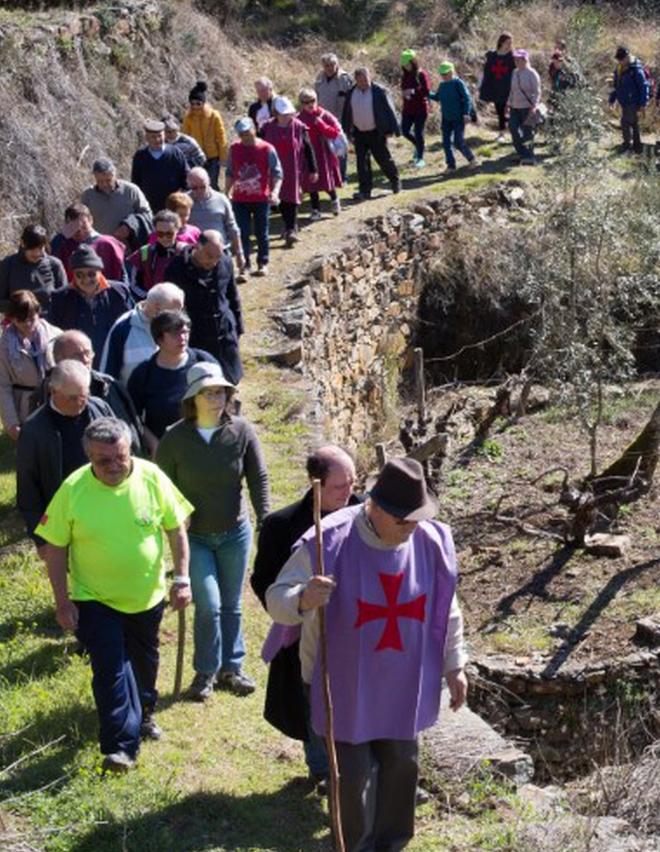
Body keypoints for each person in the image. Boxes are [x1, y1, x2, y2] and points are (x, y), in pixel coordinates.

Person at [265, 457, 467, 848]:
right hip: (345, 680)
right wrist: (304, 597)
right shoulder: (330, 540)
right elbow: (277, 599)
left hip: (404, 678)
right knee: (353, 775)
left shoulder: (429, 540)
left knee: (401, 766)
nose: (412, 528)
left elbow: (447, 606)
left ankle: (391, 844)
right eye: (403, 521)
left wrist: (454, 663)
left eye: (417, 519)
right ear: (375, 507)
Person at [36, 417, 193, 772]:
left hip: (146, 597)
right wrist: (62, 601)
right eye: (102, 460)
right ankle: (120, 747)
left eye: (119, 457)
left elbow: (176, 530)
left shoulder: (152, 478)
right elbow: (55, 548)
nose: (112, 466)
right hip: (94, 598)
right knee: (109, 669)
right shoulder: (73, 489)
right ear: (89, 457)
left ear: (130, 449)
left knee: (143, 664)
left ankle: (145, 714)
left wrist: (182, 578)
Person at [156, 363, 272, 703]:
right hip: (195, 538)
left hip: (235, 531)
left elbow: (258, 478)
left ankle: (231, 669)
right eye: (208, 392)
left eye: (220, 391)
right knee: (208, 603)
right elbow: (162, 485)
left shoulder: (242, 432)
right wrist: (175, 517)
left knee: (232, 604)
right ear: (193, 398)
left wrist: (265, 518)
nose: (216, 398)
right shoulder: (175, 438)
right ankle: (205, 671)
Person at [252, 445, 359, 792]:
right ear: (316, 486)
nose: (350, 492)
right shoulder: (281, 525)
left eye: (353, 482)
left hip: (356, 629)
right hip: (302, 629)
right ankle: (322, 770)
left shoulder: (364, 515)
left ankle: (357, 771)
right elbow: (264, 580)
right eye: (340, 486)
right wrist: (298, 604)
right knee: (314, 699)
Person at [15, 360, 114, 540]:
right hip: (66, 519)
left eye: (84, 395)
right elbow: (28, 490)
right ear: (53, 392)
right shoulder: (34, 430)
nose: (80, 402)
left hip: (107, 507)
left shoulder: (99, 408)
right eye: (72, 398)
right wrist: (41, 539)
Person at [124, 311, 214, 450]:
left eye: (185, 332)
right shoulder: (144, 373)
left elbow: (225, 399)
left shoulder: (203, 361)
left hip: (205, 446)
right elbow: (131, 416)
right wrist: (154, 445)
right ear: (159, 339)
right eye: (175, 333)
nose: (182, 338)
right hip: (165, 449)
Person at [168, 232, 245, 385]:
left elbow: (233, 295)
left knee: (231, 384)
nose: (214, 262)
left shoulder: (225, 262)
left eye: (218, 257)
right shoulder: (176, 269)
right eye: (209, 256)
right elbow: (173, 311)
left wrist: (238, 327)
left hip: (226, 335)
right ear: (198, 247)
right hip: (199, 337)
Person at [45, 248, 140, 356]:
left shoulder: (119, 293)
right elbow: (53, 333)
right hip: (77, 361)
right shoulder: (60, 298)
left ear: (100, 272)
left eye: (91, 274)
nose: (86, 280)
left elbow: (133, 325)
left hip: (114, 357)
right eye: (79, 275)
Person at [0, 291, 60, 440]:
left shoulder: (57, 336)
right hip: (24, 408)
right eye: (21, 320)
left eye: (31, 318)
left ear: (38, 312)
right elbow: (1, 387)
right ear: (11, 318)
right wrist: (12, 424)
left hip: (54, 401)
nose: (27, 324)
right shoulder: (1, 347)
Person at [51, 330, 142, 439]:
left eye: (87, 353)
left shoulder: (111, 386)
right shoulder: (48, 392)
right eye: (77, 356)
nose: (85, 360)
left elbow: (131, 433)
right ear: (58, 359)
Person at [99, 282, 186, 386]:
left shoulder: (180, 327)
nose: (178, 317)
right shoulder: (123, 328)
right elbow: (108, 376)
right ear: (156, 308)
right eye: (173, 311)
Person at [227, 118, 281, 274]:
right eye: (241, 134)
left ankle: (263, 262)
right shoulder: (234, 149)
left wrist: (275, 191)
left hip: (261, 198)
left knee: (261, 232)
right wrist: (227, 192)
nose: (245, 136)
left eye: (247, 132)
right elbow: (230, 172)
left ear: (254, 129)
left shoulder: (267, 148)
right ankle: (245, 265)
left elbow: (277, 173)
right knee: (242, 232)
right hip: (239, 199)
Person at [343, 66, 403, 200]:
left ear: (370, 78)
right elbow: (347, 113)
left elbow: (390, 110)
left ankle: (395, 182)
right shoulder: (351, 93)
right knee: (362, 163)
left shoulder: (379, 91)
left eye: (366, 80)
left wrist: (392, 130)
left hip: (376, 132)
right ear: (356, 81)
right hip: (359, 133)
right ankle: (365, 191)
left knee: (384, 159)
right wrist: (348, 132)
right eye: (360, 81)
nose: (364, 83)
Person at [259, 98, 309, 247]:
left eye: (289, 114)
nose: (287, 116)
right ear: (276, 113)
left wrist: (313, 169)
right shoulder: (266, 127)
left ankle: (290, 230)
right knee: (280, 199)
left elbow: (307, 148)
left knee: (292, 199)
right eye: (283, 114)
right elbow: (260, 147)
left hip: (292, 168)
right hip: (273, 169)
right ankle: (289, 227)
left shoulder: (299, 127)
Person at [0, 225, 69, 313]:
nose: (36, 253)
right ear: (23, 244)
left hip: (49, 321)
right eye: (32, 248)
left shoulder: (55, 265)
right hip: (18, 321)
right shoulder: (8, 265)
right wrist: (21, 306)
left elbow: (65, 298)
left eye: (40, 248)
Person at [295, 89, 347, 219]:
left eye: (313, 101)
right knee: (311, 183)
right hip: (308, 156)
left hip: (324, 154)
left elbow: (335, 133)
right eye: (306, 102)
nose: (310, 104)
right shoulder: (298, 119)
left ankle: (334, 200)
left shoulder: (324, 115)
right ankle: (315, 210)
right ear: (301, 103)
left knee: (326, 181)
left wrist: (322, 125)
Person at [52, 204, 129, 285]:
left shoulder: (108, 244)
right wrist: (63, 235)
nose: (79, 230)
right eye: (73, 226)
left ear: (91, 220)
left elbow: (122, 276)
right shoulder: (63, 245)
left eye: (83, 224)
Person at [183, 167, 243, 264]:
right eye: (194, 188)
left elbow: (232, 227)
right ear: (188, 185)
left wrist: (239, 253)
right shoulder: (184, 201)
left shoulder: (221, 199)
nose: (199, 191)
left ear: (209, 182)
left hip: (220, 251)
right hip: (195, 254)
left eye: (203, 187)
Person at [80, 159, 152, 238]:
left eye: (108, 180)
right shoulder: (88, 195)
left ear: (115, 175)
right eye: (100, 181)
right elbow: (81, 220)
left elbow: (147, 215)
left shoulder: (131, 190)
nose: (104, 185)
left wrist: (130, 225)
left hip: (129, 247)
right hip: (99, 246)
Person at [127, 211, 193, 293]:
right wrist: (148, 298)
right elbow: (133, 283)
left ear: (177, 230)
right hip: (152, 301)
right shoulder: (144, 252)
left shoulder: (187, 251)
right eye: (160, 234)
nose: (165, 238)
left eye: (169, 234)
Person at [315, 53, 356, 177]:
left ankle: (342, 176)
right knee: (326, 148)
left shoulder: (344, 78)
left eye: (332, 65)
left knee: (341, 148)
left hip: (341, 119)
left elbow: (352, 100)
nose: (329, 68)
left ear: (337, 64)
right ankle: (330, 174)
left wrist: (351, 121)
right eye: (326, 65)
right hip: (323, 120)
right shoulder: (319, 79)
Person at [432, 63, 477, 171]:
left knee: (458, 142)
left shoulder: (458, 83)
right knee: (446, 143)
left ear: (452, 72)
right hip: (446, 118)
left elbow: (467, 99)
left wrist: (466, 113)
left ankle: (471, 159)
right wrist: (426, 93)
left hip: (458, 118)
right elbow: (437, 97)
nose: (444, 76)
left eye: (446, 73)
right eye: (442, 74)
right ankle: (451, 166)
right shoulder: (442, 85)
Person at [182, 82, 228, 184]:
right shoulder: (188, 117)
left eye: (198, 103)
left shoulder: (214, 116)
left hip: (213, 157)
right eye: (192, 103)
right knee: (198, 183)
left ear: (203, 103)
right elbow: (185, 138)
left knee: (212, 184)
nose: (195, 106)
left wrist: (223, 157)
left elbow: (221, 137)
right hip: (196, 157)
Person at [608, 46, 651, 154]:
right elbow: (617, 86)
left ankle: (628, 144)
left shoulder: (636, 69)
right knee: (633, 123)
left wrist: (643, 103)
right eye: (618, 59)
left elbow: (644, 86)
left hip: (633, 101)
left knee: (625, 122)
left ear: (627, 57)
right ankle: (637, 145)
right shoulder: (619, 69)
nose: (620, 61)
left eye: (621, 59)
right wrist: (612, 99)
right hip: (624, 101)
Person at [506, 49, 542, 166]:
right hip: (515, 107)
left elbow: (537, 92)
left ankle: (529, 156)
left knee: (527, 132)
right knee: (513, 128)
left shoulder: (532, 73)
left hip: (527, 107)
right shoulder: (514, 73)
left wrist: (534, 106)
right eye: (516, 59)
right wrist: (508, 104)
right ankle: (520, 152)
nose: (516, 61)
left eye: (519, 59)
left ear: (525, 60)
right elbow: (512, 90)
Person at [397, 52, 432, 168]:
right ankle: (419, 146)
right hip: (408, 109)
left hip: (420, 109)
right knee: (405, 131)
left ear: (413, 62)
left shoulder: (421, 74)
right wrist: (405, 94)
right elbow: (403, 88)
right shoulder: (404, 76)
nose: (406, 67)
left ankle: (420, 158)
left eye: (408, 64)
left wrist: (412, 91)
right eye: (404, 65)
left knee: (418, 132)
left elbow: (426, 91)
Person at [478, 34, 516, 130]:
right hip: (496, 88)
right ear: (501, 42)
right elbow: (487, 73)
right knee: (500, 111)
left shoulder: (512, 57)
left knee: (512, 112)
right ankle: (502, 132)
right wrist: (484, 87)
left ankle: (514, 132)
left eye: (511, 43)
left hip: (509, 88)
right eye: (508, 43)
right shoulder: (492, 56)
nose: (510, 45)